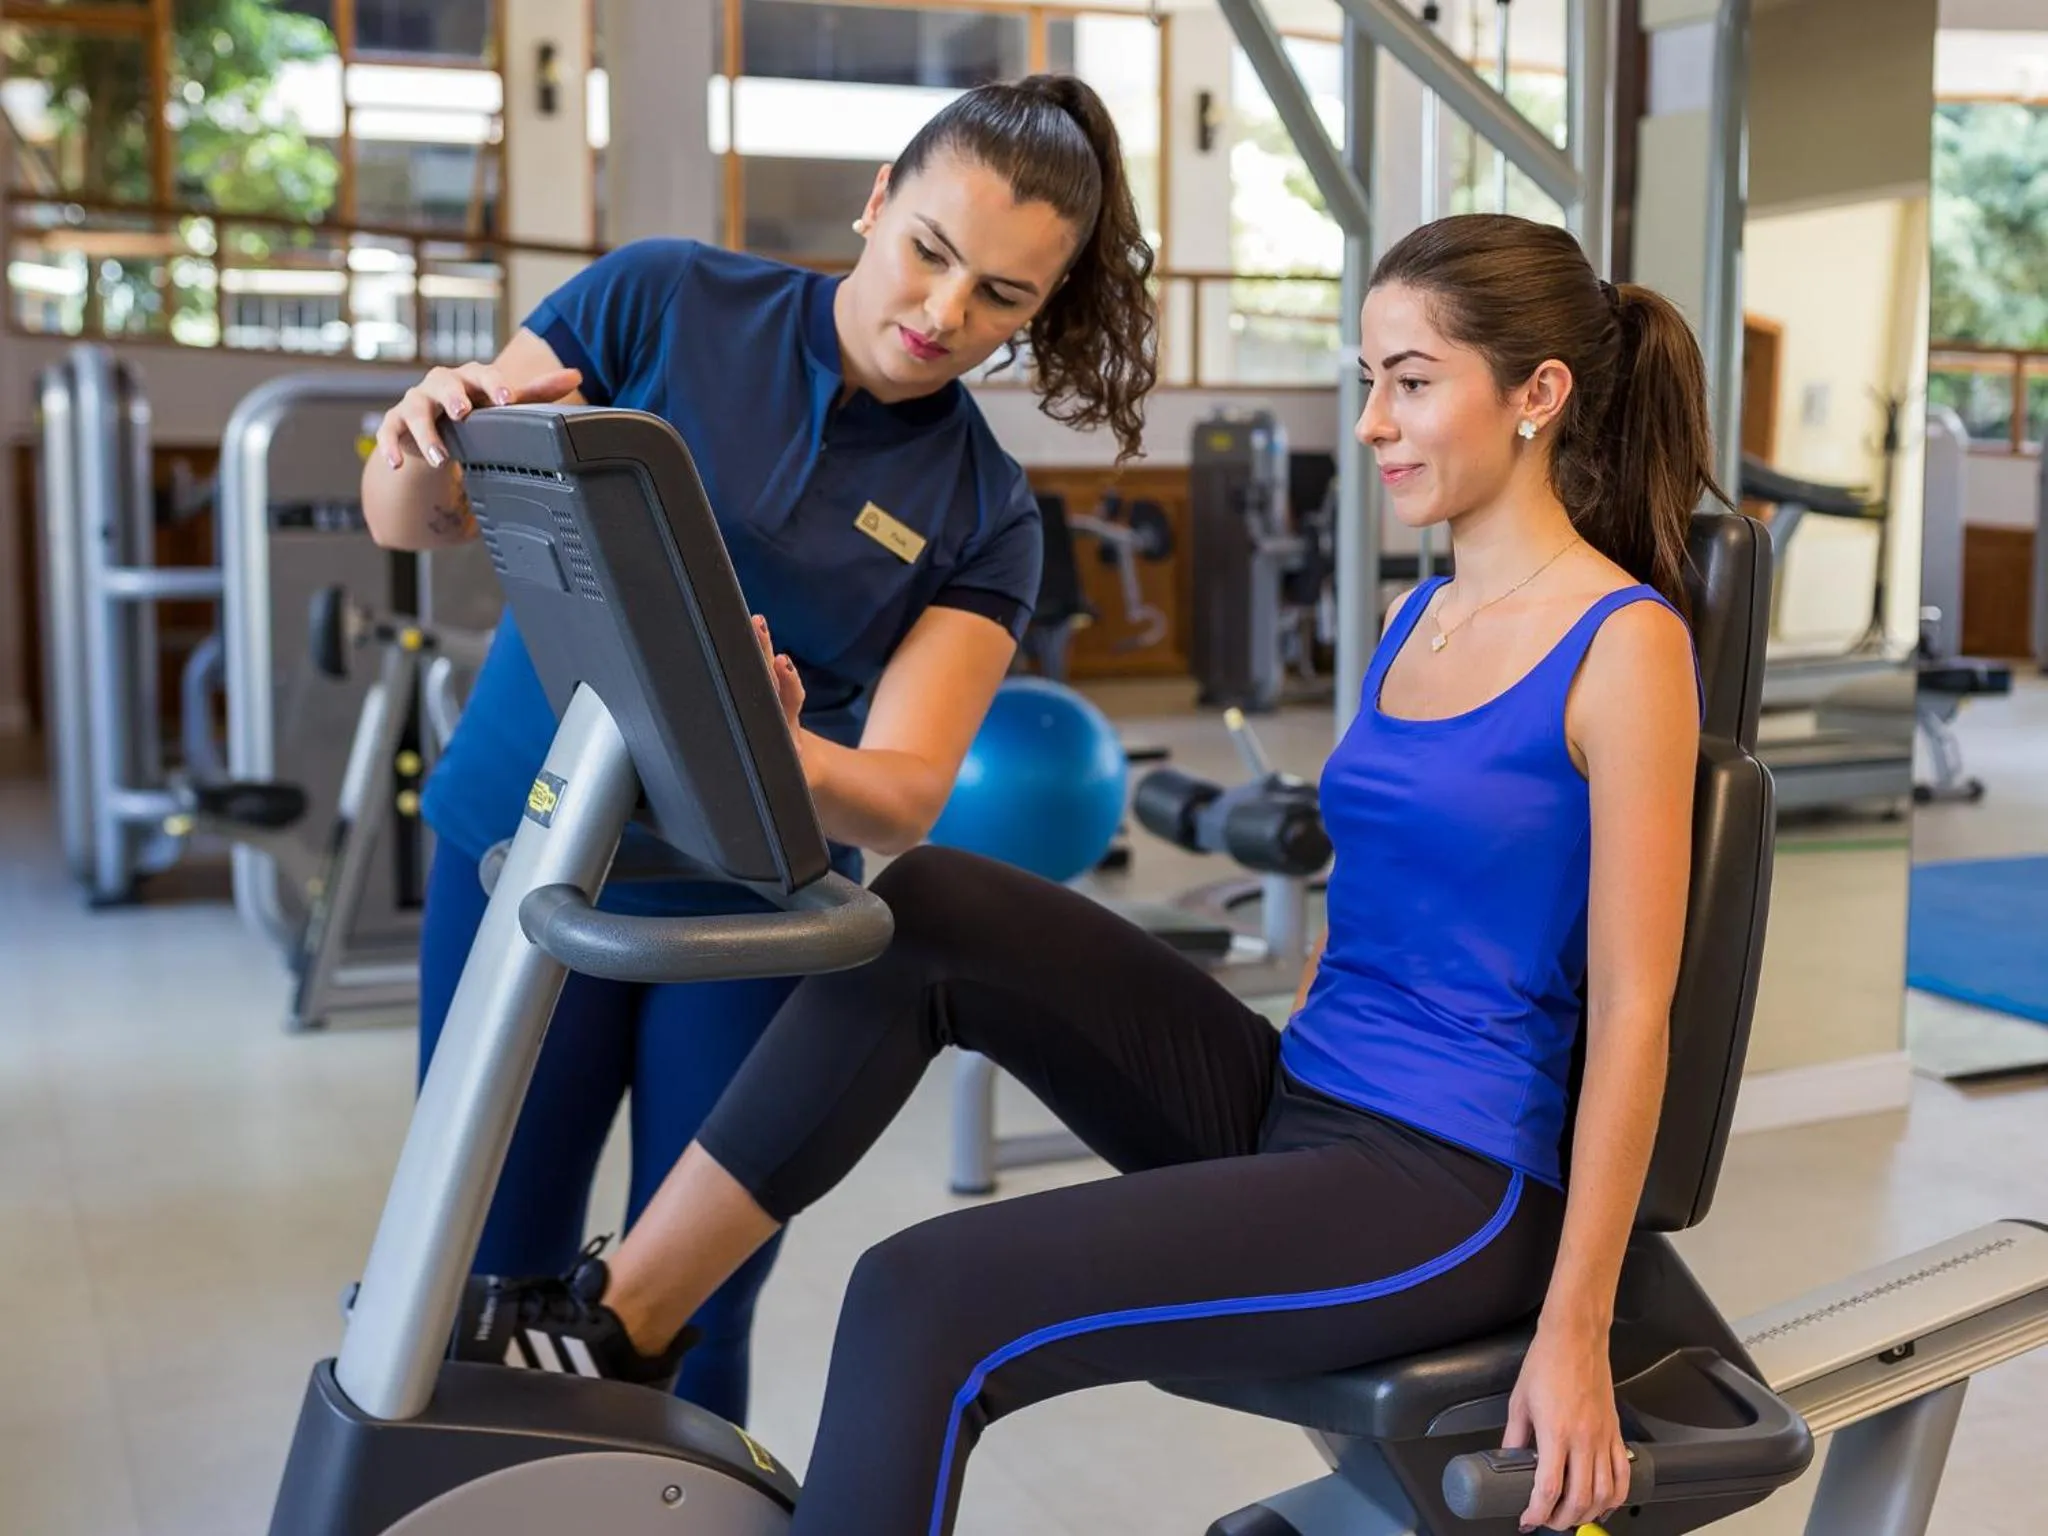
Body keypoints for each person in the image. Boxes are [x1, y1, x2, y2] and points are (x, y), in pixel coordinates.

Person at [460, 211, 1719, 1536]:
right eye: (1368, 384)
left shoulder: (1622, 648)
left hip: (1452, 1181)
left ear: (1539, 396)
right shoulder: (1421, 615)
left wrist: (1574, 1328)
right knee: (933, 906)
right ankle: (631, 1319)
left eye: (1412, 383)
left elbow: (1640, 1013)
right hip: (1311, 1094)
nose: (1373, 427)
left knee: (919, 1292)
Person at [357, 73, 1158, 1424]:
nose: (943, 317)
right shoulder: (659, 298)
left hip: (744, 911)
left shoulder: (986, 513)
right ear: (873, 205)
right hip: (520, 848)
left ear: (1043, 308)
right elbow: (416, 517)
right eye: (930, 252)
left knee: (684, 1319)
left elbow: (902, 796)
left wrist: (770, 745)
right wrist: (425, 426)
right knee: (472, 1282)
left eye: (1002, 300)